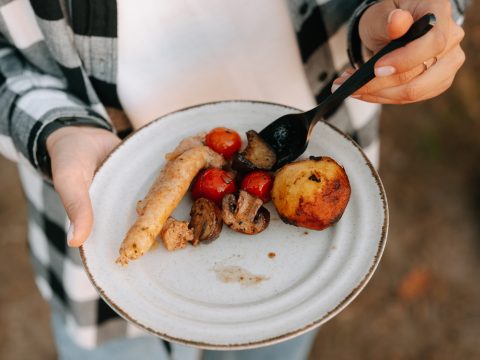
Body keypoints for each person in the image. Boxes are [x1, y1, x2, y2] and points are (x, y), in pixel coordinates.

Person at [0, 0, 466, 359]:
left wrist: (404, 23)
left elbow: (426, 12)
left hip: (312, 237)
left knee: (277, 347)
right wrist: (56, 127)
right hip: (97, 208)